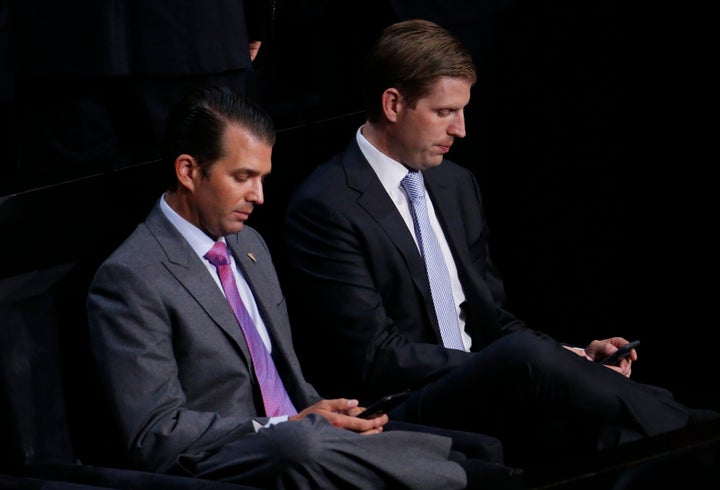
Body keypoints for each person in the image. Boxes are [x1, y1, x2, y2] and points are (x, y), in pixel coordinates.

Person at [282, 19, 719, 471]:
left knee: (623, 437)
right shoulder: (326, 205)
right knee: (526, 359)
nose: (462, 129)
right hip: (404, 405)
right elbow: (376, 356)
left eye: (464, 111)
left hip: (495, 381)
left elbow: (494, 319)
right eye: (445, 112)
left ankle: (690, 434)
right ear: (393, 104)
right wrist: (505, 365)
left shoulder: (455, 184)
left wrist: (570, 358)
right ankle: (699, 427)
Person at [86, 85, 524, 489]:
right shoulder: (130, 277)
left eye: (262, 178)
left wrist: (325, 412)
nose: (258, 196)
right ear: (188, 171)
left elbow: (284, 380)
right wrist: (283, 426)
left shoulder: (249, 243)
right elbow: (155, 434)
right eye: (242, 177)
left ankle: (470, 472)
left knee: (466, 443)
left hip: (301, 435)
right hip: (224, 459)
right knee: (301, 446)